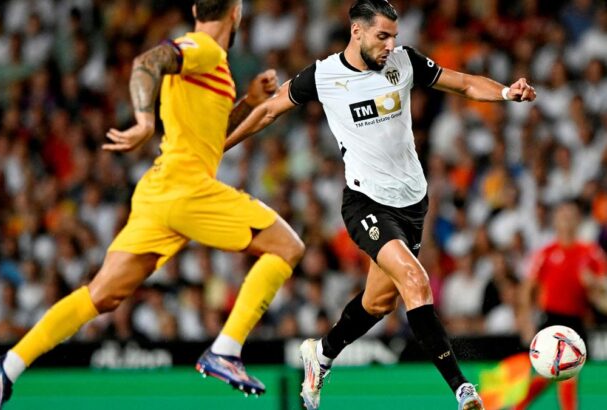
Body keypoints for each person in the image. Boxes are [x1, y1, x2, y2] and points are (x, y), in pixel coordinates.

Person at [0, 1, 305, 408]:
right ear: (236, 12)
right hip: (186, 189)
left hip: (160, 191)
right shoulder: (204, 49)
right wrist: (143, 120)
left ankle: (8, 367)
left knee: (100, 295)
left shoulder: (211, 67)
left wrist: (248, 103)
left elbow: (211, 142)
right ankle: (226, 349)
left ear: (195, 8)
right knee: (288, 247)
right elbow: (147, 62)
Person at [225, 1, 536, 409]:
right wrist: (220, 146)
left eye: (394, 36)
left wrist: (506, 92)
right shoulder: (323, 75)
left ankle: (320, 354)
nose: (391, 45)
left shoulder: (404, 62)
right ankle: (463, 390)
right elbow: (267, 111)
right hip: (365, 202)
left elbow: (462, 84)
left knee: (378, 303)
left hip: (413, 203)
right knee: (415, 281)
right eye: (382, 36)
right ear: (357, 31)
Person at [516, 202, 607, 410]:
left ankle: (518, 406)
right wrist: (525, 321)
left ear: (578, 221)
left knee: (557, 371)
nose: (566, 220)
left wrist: (594, 283)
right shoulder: (546, 253)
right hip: (552, 320)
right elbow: (527, 289)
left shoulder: (591, 253)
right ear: (555, 221)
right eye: (562, 215)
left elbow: (603, 288)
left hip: (577, 319)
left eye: (571, 215)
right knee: (563, 369)